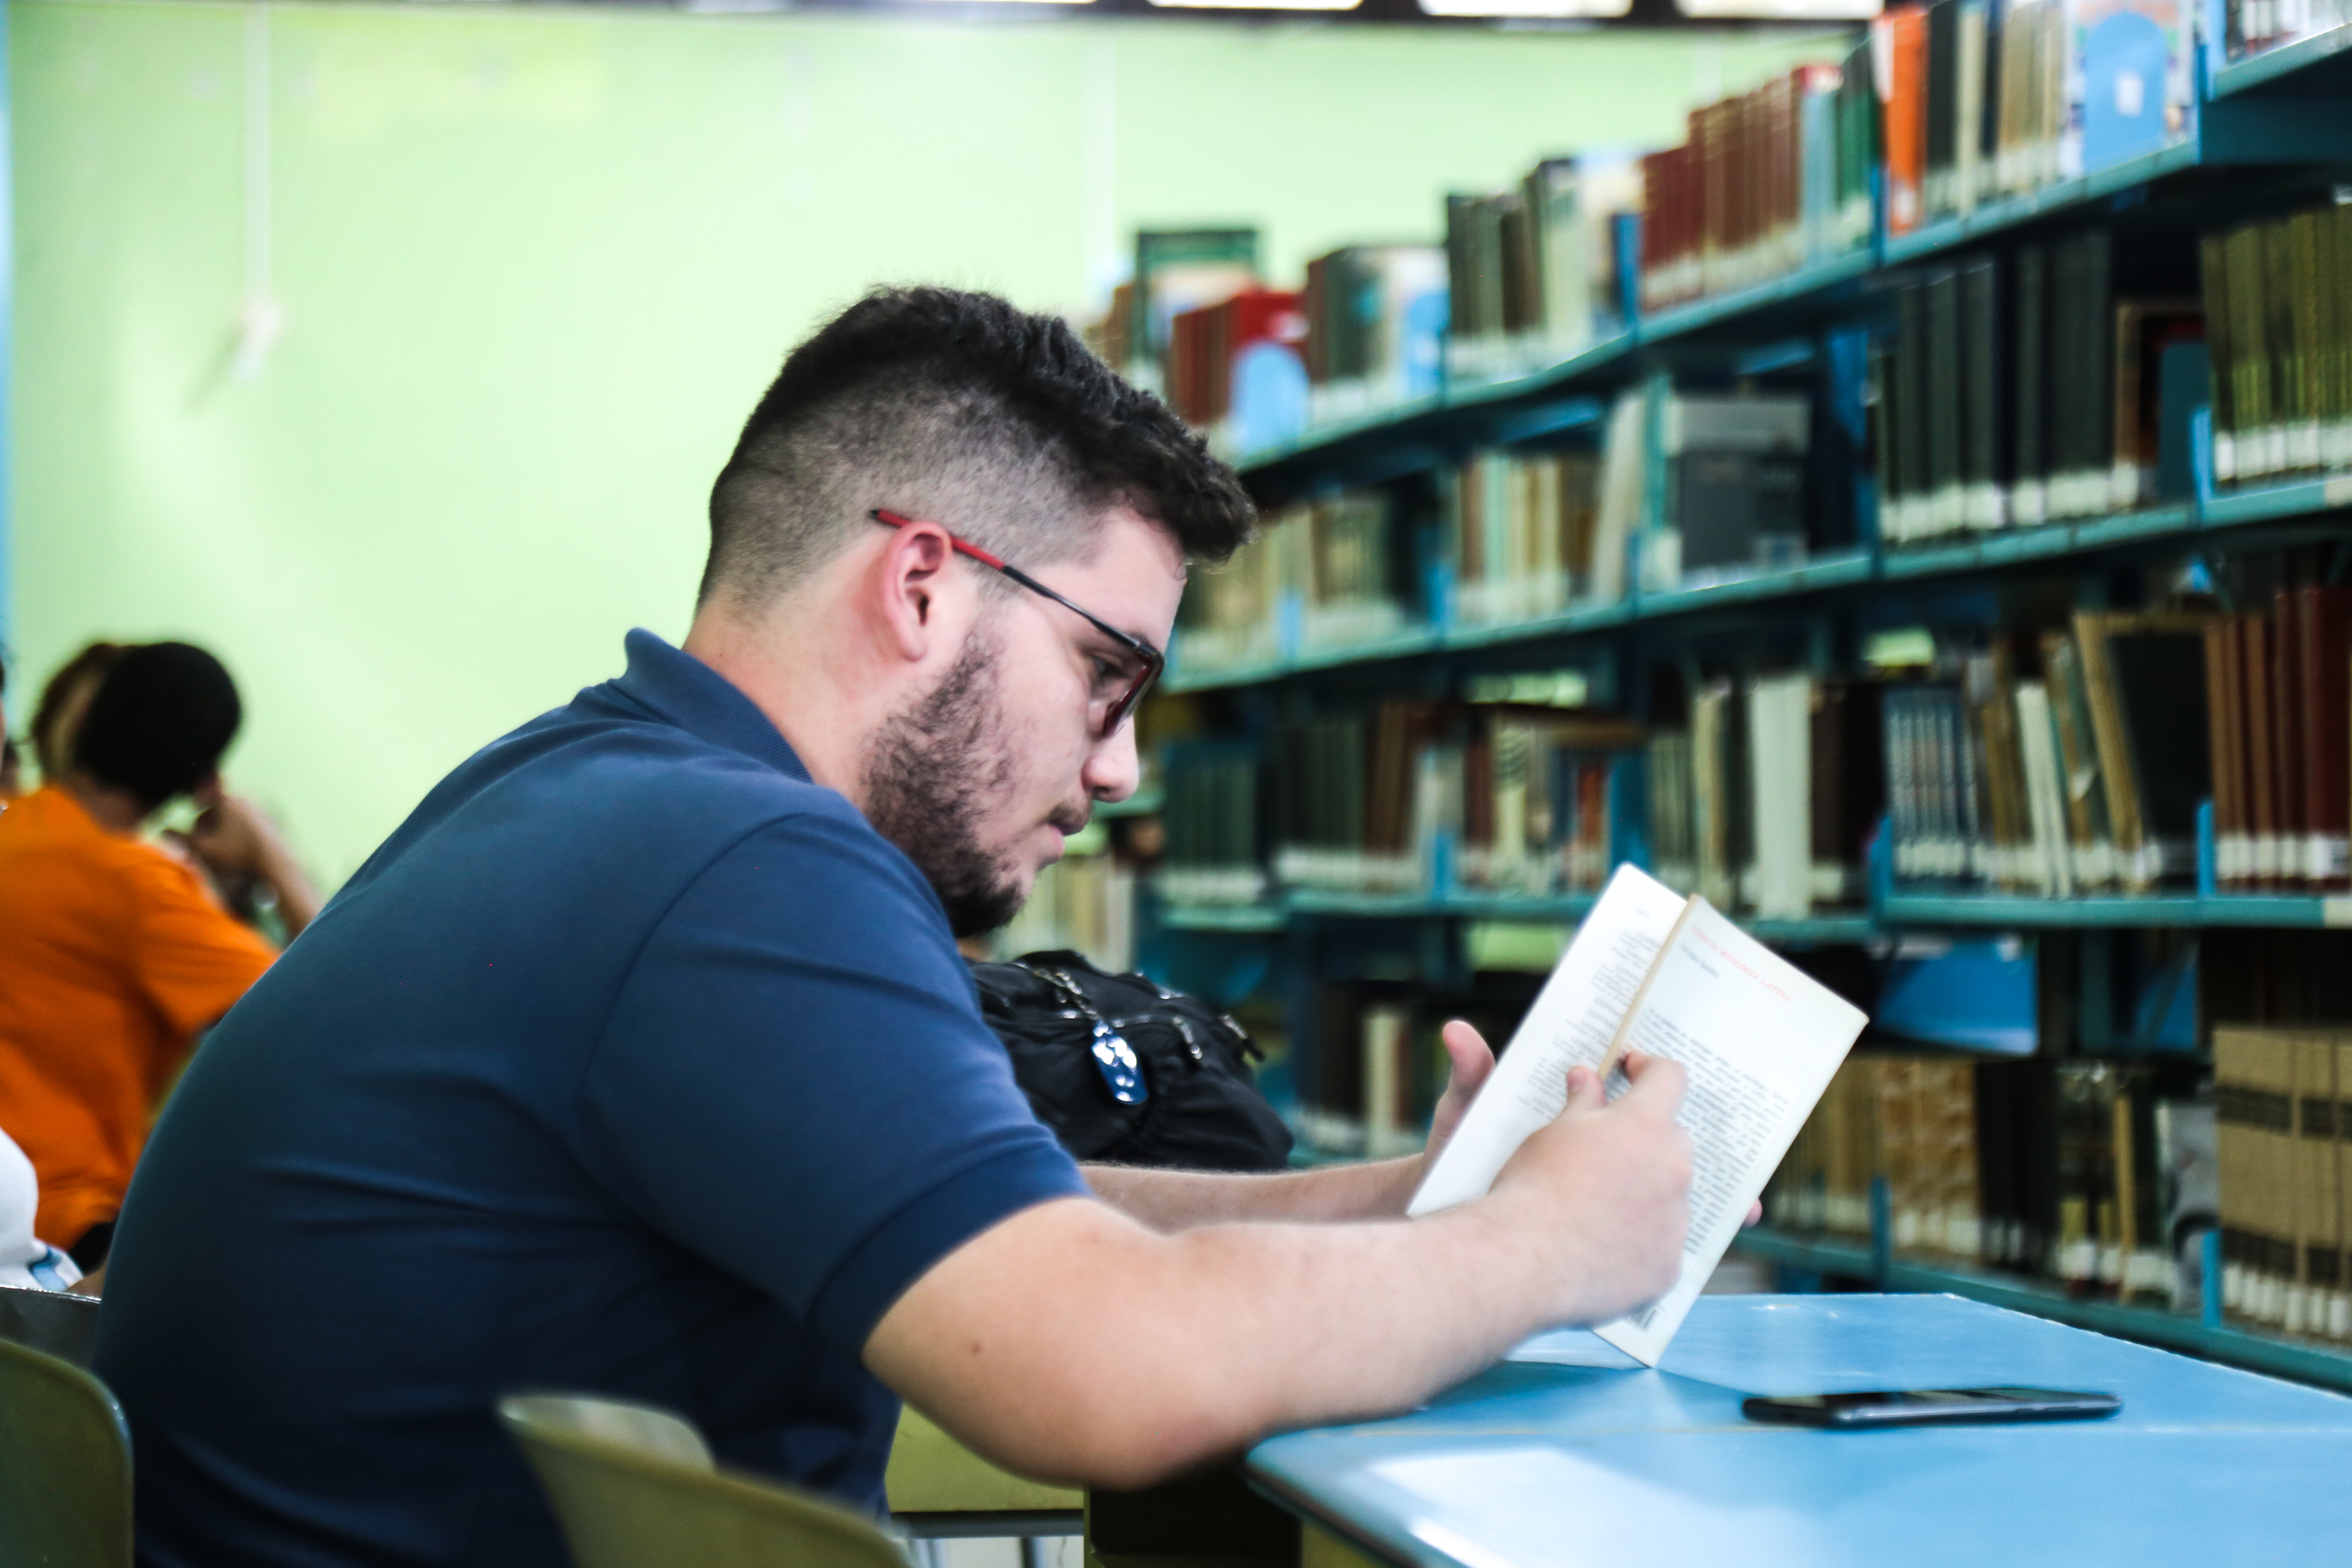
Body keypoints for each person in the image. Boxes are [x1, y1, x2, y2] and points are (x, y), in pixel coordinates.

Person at [95, 288, 1694, 1568]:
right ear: (926, 582)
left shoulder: (578, 790)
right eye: (1108, 676)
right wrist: (1546, 1245)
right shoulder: (747, 861)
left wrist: (1414, 1203)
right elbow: (1103, 1369)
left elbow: (1014, 1212)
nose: (1122, 766)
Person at [0, 642, 321, 1269]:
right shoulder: (139, 886)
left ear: (84, 719)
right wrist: (268, 853)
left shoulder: (15, 829)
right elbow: (330, 1005)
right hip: (64, 1222)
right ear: (204, 782)